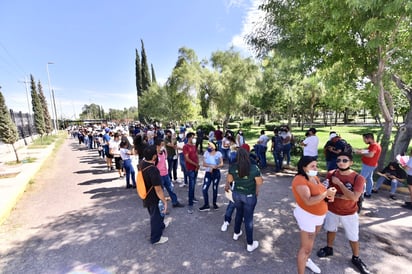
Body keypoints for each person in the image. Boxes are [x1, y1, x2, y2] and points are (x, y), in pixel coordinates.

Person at [317, 152, 370, 274]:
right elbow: (325, 190)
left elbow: (354, 197)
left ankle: (356, 257)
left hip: (349, 212)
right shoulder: (331, 174)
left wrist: (339, 185)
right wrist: (340, 195)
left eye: (345, 160)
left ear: (351, 162)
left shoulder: (358, 178)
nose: (341, 162)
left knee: (353, 236)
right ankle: (329, 248)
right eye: (338, 160)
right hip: (332, 209)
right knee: (330, 229)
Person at [292, 156, 334, 274]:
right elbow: (308, 201)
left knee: (310, 242)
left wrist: (329, 195)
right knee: (306, 249)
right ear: (304, 167)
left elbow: (319, 193)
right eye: (312, 166)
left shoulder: (313, 177)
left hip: (319, 216)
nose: (316, 168)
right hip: (308, 216)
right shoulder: (299, 180)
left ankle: (307, 260)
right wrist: (326, 193)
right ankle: (302, 267)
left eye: (316, 165)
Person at [224, 147, 263, 252]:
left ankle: (236, 233)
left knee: (238, 213)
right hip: (249, 195)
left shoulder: (233, 167)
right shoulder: (254, 168)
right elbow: (259, 183)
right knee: (248, 219)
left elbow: (230, 180)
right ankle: (250, 243)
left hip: (237, 194)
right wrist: (256, 191)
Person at [140, 145, 169, 245]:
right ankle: (156, 238)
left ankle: (161, 225)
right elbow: (158, 188)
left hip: (145, 194)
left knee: (155, 214)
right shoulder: (153, 170)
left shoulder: (142, 163)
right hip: (153, 197)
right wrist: (164, 201)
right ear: (153, 157)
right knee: (155, 216)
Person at [155, 139, 184, 208]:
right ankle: (161, 207)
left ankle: (175, 202)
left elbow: (165, 160)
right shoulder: (154, 155)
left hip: (166, 174)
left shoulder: (164, 152)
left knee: (170, 189)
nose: (163, 146)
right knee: (160, 192)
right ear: (157, 146)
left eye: (163, 145)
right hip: (159, 176)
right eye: (161, 145)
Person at [355, 133, 382, 198]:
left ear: (369, 139)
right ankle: (368, 193)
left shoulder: (374, 146)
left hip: (368, 165)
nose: (364, 141)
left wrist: (360, 153)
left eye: (364, 139)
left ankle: (360, 194)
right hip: (371, 165)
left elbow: (370, 155)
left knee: (361, 179)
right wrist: (362, 151)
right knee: (369, 178)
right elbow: (368, 151)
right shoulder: (373, 145)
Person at [199, 142, 223, 211]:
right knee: (204, 188)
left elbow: (221, 163)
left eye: (210, 146)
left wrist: (216, 166)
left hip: (216, 173)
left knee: (215, 188)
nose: (209, 147)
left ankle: (214, 203)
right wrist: (210, 166)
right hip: (208, 172)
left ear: (214, 147)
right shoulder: (206, 153)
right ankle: (206, 204)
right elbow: (204, 164)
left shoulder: (218, 153)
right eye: (208, 146)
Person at [183, 132, 200, 214]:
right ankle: (190, 204)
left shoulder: (194, 146)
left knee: (194, 183)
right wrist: (195, 164)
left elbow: (196, 155)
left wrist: (198, 164)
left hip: (195, 168)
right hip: (190, 168)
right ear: (189, 138)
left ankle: (193, 197)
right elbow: (187, 159)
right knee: (191, 185)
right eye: (193, 137)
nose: (194, 139)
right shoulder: (186, 147)